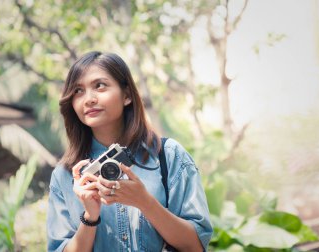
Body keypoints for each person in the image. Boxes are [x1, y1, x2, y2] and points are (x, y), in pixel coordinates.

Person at [47, 51, 213, 252]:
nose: (88, 99)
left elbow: (195, 246)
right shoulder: (66, 175)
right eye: (78, 91)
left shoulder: (168, 156)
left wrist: (144, 201)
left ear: (126, 95)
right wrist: (90, 217)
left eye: (99, 86)